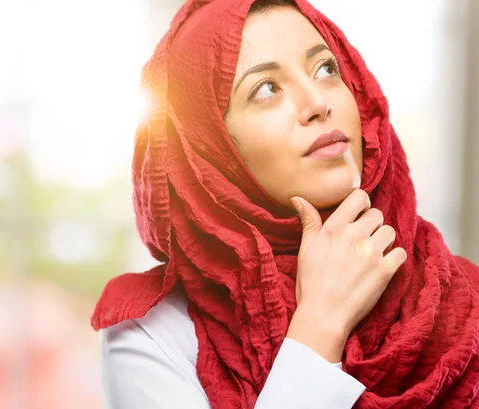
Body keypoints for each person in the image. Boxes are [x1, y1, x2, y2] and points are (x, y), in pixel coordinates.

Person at [91, 0, 479, 408]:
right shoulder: (151, 338)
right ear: (207, 150)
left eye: (327, 69)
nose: (317, 102)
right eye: (266, 90)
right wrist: (320, 323)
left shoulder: (464, 297)